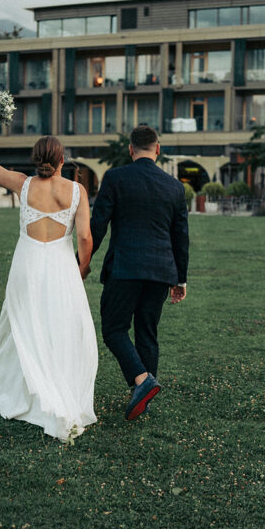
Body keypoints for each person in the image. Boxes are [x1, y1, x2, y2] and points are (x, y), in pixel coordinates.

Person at [0, 116, 98, 442]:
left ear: (35, 159)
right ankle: (55, 386)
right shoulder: (76, 191)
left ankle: (23, 391)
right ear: (61, 160)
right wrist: (83, 267)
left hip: (26, 265)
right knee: (61, 327)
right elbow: (85, 237)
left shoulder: (23, 184)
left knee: (24, 324)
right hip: (61, 267)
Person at [87, 125, 189, 421]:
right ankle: (145, 393)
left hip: (125, 267)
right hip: (161, 271)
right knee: (147, 332)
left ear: (130, 149)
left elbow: (98, 225)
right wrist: (180, 279)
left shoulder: (115, 178)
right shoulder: (175, 186)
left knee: (113, 329)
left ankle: (142, 382)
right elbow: (180, 237)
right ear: (158, 148)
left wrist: (81, 261)